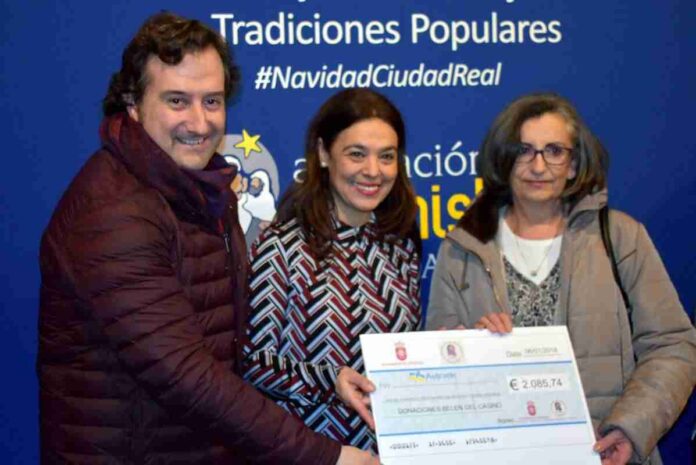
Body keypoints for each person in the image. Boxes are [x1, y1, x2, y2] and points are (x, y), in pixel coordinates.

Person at [37, 12, 377, 464]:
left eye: (212, 101)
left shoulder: (202, 189)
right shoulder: (114, 212)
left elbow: (230, 350)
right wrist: (326, 457)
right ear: (133, 104)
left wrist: (323, 378)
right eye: (177, 101)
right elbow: (185, 375)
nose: (199, 123)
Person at [426, 93, 696, 465]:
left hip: (604, 455)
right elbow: (440, 369)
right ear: (503, 160)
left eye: (554, 151)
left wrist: (629, 428)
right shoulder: (461, 249)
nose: (538, 166)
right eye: (524, 151)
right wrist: (472, 346)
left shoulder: (621, 237)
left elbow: (674, 346)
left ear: (573, 164)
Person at [244, 88, 421, 452]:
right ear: (324, 154)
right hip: (309, 452)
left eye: (386, 156)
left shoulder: (399, 245)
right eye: (357, 154)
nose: (373, 171)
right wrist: (329, 381)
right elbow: (250, 362)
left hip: (390, 451)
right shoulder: (282, 246)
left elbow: (407, 355)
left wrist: (455, 351)